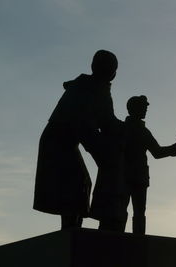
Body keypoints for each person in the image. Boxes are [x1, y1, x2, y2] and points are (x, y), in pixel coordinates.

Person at [33, 50, 120, 229]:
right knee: (75, 182)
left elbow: (107, 121)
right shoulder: (90, 88)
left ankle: (73, 229)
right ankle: (70, 231)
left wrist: (125, 129)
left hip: (64, 140)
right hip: (58, 141)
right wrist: (103, 156)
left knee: (80, 182)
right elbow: (87, 126)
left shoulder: (94, 87)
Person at [121, 95, 176, 234]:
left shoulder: (123, 128)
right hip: (134, 175)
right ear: (135, 108)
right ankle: (136, 239)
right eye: (143, 107)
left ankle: (127, 238)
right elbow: (157, 152)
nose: (146, 110)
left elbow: (157, 152)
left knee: (128, 209)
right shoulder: (140, 131)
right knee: (136, 210)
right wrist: (173, 149)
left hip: (128, 175)